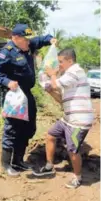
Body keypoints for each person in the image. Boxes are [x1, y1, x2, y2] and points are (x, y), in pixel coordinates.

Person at [0, 24, 56, 176]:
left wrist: (51, 40)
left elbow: (41, 39)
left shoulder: (28, 43)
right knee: (12, 129)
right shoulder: (7, 52)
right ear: (16, 38)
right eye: (26, 40)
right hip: (14, 95)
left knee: (28, 127)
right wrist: (6, 82)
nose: (29, 43)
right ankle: (6, 164)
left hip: (27, 94)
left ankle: (19, 161)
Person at [32, 48, 94, 189]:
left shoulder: (75, 72)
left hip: (78, 121)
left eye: (60, 62)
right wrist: (50, 92)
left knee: (72, 150)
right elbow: (61, 100)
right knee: (50, 135)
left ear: (70, 61)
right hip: (68, 119)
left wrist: (52, 75)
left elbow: (55, 83)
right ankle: (49, 165)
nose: (59, 65)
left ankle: (77, 178)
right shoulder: (69, 77)